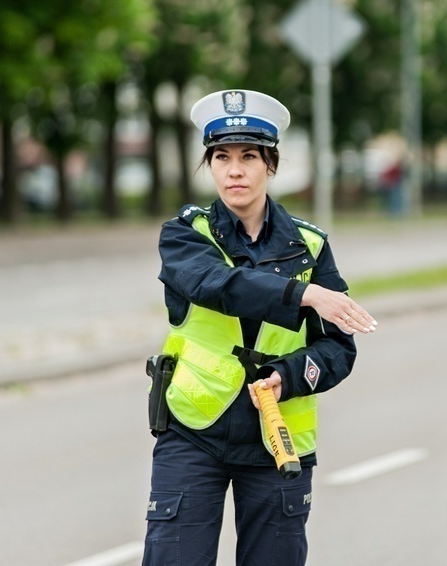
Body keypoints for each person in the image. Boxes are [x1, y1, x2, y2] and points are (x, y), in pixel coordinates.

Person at [143, 89, 377, 566]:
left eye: (249, 156)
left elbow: (337, 350)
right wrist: (303, 294)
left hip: (278, 438)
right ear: (209, 164)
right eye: (222, 156)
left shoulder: (310, 245)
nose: (234, 169)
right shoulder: (187, 234)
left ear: (270, 164)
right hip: (194, 433)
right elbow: (218, 285)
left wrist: (288, 377)